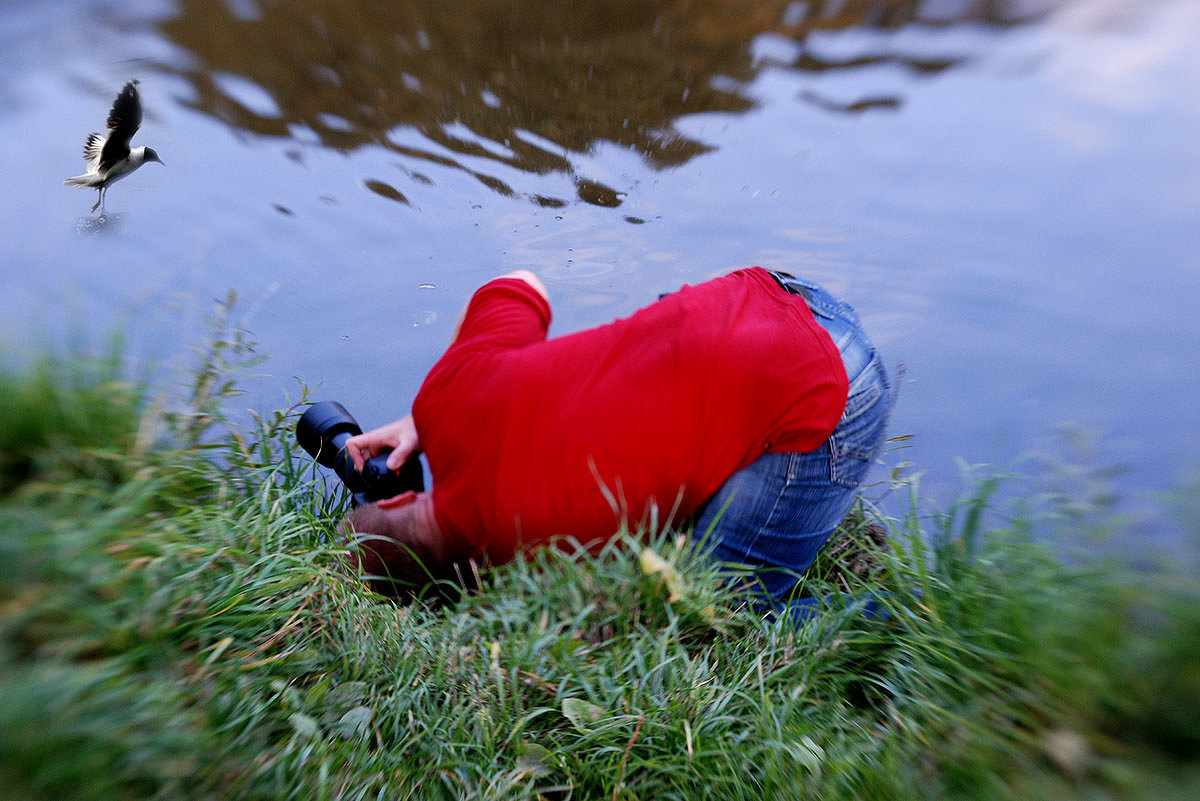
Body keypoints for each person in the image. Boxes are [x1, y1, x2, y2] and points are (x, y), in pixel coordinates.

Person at [340, 266, 893, 613]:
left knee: (719, 611)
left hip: (815, 365)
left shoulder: (542, 571)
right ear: (396, 496)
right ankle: (892, 617)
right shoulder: (446, 397)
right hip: (770, 297)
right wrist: (424, 415)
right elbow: (522, 282)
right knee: (726, 610)